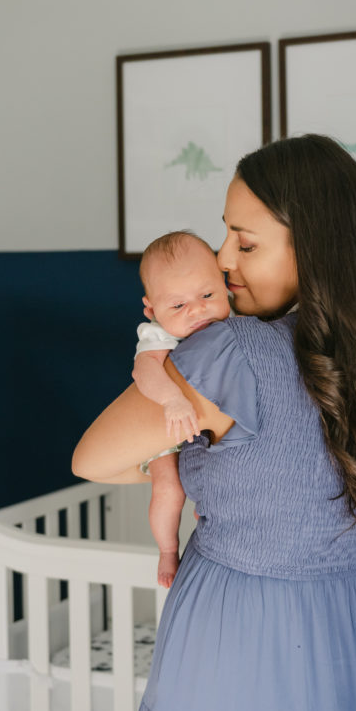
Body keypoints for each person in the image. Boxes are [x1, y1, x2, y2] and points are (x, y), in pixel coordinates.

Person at [72, 134, 356, 711]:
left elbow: (92, 458)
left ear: (311, 248)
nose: (223, 260)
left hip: (245, 645)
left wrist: (170, 464)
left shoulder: (231, 354)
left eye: (244, 243)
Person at [133, 230, 230, 586]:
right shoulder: (159, 334)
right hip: (166, 425)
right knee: (169, 488)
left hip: (206, 428)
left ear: (224, 286)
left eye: (207, 294)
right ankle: (168, 551)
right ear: (152, 309)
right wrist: (172, 400)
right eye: (177, 305)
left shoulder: (231, 325)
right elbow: (143, 371)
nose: (197, 309)